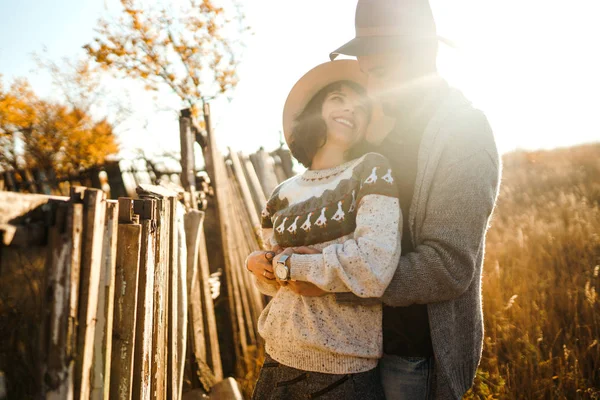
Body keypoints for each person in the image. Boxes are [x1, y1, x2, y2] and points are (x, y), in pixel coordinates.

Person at [285, 0, 502, 399]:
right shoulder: (383, 130)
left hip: (411, 355)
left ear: (421, 56)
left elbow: (448, 266)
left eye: (380, 72)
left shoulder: (464, 135)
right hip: (351, 346)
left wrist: (333, 282)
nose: (370, 88)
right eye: (367, 74)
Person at [246, 59, 402, 399]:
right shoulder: (282, 193)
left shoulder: (371, 171)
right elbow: (277, 281)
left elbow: (375, 264)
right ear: (317, 111)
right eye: (337, 98)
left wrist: (293, 266)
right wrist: (259, 266)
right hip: (276, 357)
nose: (350, 108)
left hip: (343, 372)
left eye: (360, 106)